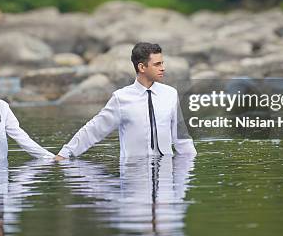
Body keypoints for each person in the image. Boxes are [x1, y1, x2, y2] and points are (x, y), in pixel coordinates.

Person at [55, 42, 196, 160]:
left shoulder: (170, 94)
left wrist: (191, 167)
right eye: (157, 64)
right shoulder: (121, 98)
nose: (163, 68)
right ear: (142, 67)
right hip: (134, 176)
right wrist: (65, 153)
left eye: (162, 63)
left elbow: (182, 139)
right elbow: (94, 129)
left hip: (166, 181)